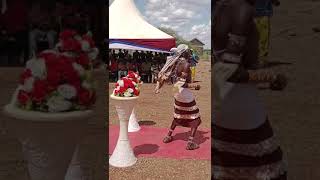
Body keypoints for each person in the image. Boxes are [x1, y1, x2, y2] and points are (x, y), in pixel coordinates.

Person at [212, 0, 287, 179]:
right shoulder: (241, 10)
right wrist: (271, 77)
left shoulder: (220, 7)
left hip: (224, 100)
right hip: (240, 105)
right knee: (266, 170)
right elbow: (230, 72)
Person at [155, 44, 201, 150]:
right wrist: (195, 86)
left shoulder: (175, 63)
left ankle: (168, 136)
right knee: (196, 118)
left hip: (176, 91)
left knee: (178, 114)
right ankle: (190, 143)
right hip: (183, 91)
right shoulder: (186, 64)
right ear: (184, 52)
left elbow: (174, 81)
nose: (190, 53)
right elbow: (182, 83)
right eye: (188, 51)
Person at [255, 0, 280, 67]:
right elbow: (276, 3)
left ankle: (254, 59)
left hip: (253, 15)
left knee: (254, 39)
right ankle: (262, 60)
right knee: (263, 39)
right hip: (264, 16)